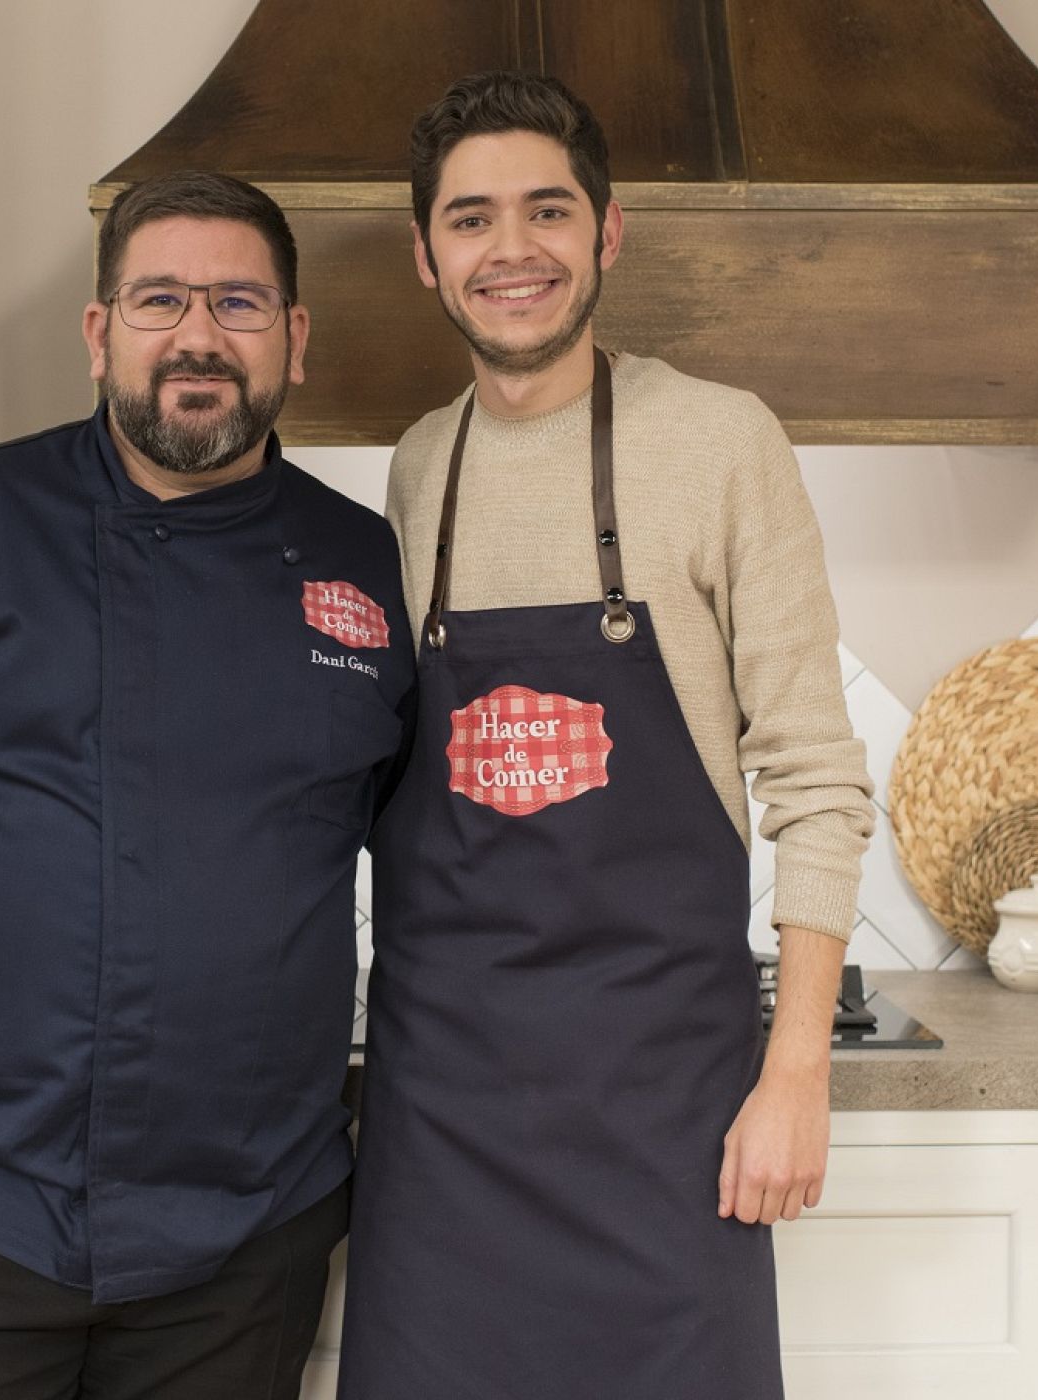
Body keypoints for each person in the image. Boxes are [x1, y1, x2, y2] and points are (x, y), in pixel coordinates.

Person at [0, 171, 414, 1400]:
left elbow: (422, 863)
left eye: (239, 303)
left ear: (295, 340)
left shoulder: (361, 560)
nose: (198, 335)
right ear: (100, 334)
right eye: (159, 299)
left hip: (248, 1235)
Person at [336, 72, 875, 1400]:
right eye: (470, 220)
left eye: (545, 211)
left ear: (606, 233)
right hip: (442, 1121)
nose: (509, 251)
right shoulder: (420, 465)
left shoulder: (718, 441)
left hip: (662, 1120)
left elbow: (814, 775)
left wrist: (794, 1072)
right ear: (426, 256)